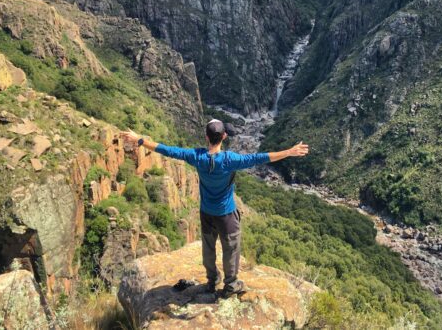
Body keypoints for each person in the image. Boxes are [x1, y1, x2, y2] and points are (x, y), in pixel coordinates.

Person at [120, 119, 309, 298]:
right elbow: (260, 158)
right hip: (227, 214)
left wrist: (141, 140)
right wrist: (289, 152)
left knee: (208, 249)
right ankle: (231, 284)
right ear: (224, 137)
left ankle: (212, 281)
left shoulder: (196, 156)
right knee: (231, 249)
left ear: (206, 137)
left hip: (206, 212)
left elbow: (168, 150)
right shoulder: (230, 159)